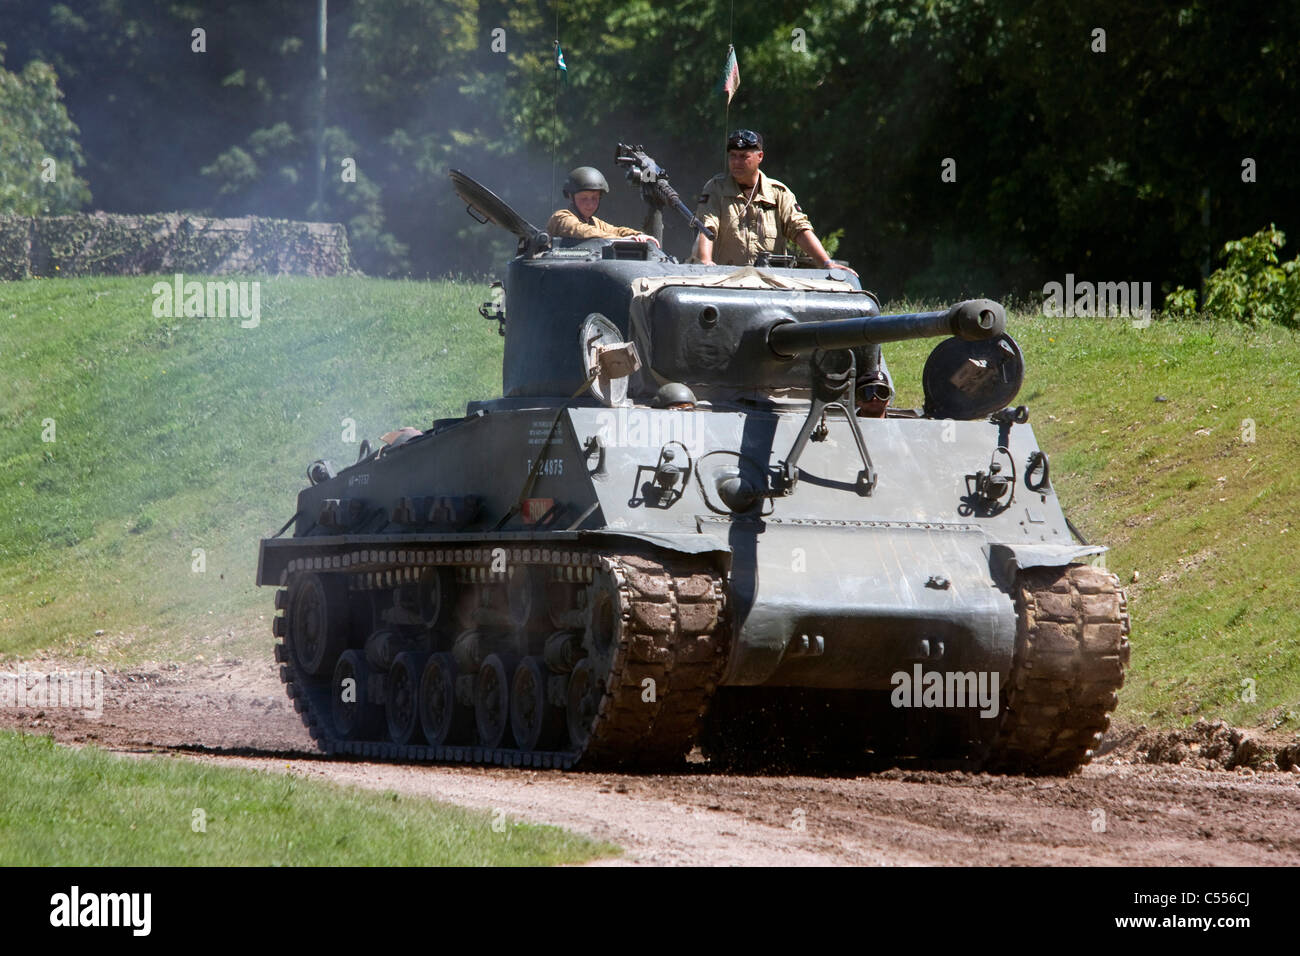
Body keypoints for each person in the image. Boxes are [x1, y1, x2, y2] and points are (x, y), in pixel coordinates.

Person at [692, 129, 856, 276]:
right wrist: (706, 262)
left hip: (770, 283)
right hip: (726, 280)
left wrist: (827, 263)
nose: (736, 162)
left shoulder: (778, 193)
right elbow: (707, 227)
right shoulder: (716, 189)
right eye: (732, 156)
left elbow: (799, 228)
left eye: (744, 156)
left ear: (760, 157)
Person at [547, 166, 659, 244]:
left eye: (595, 198)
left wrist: (638, 235)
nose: (589, 204)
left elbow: (617, 231)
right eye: (584, 198)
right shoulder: (560, 217)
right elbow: (580, 230)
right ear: (571, 197)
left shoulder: (594, 222)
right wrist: (621, 240)